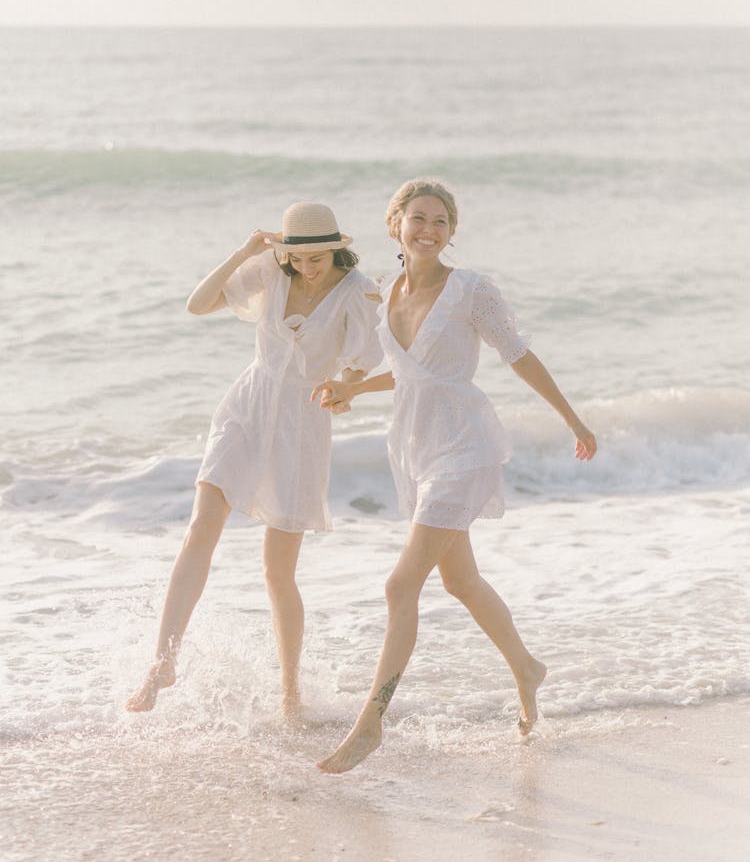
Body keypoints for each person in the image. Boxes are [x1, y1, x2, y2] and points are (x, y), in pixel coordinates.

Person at [311, 179, 597, 773]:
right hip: (413, 448)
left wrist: (572, 418)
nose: (429, 230)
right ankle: (526, 667)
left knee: (399, 586)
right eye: (418, 218)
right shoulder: (388, 292)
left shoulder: (471, 290)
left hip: (464, 446)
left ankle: (371, 723)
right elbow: (407, 372)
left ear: (451, 232)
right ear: (396, 224)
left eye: (441, 222)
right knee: (460, 583)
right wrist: (350, 388)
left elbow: (517, 354)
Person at [126, 202, 382, 716]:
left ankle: (290, 690)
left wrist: (344, 388)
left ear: (337, 249)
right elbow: (198, 305)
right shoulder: (269, 270)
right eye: (297, 256)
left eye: (318, 257)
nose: (307, 267)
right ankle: (163, 662)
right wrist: (245, 250)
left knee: (277, 571)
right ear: (283, 251)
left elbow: (362, 363)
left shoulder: (358, 293)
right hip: (248, 404)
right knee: (201, 527)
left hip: (302, 423)